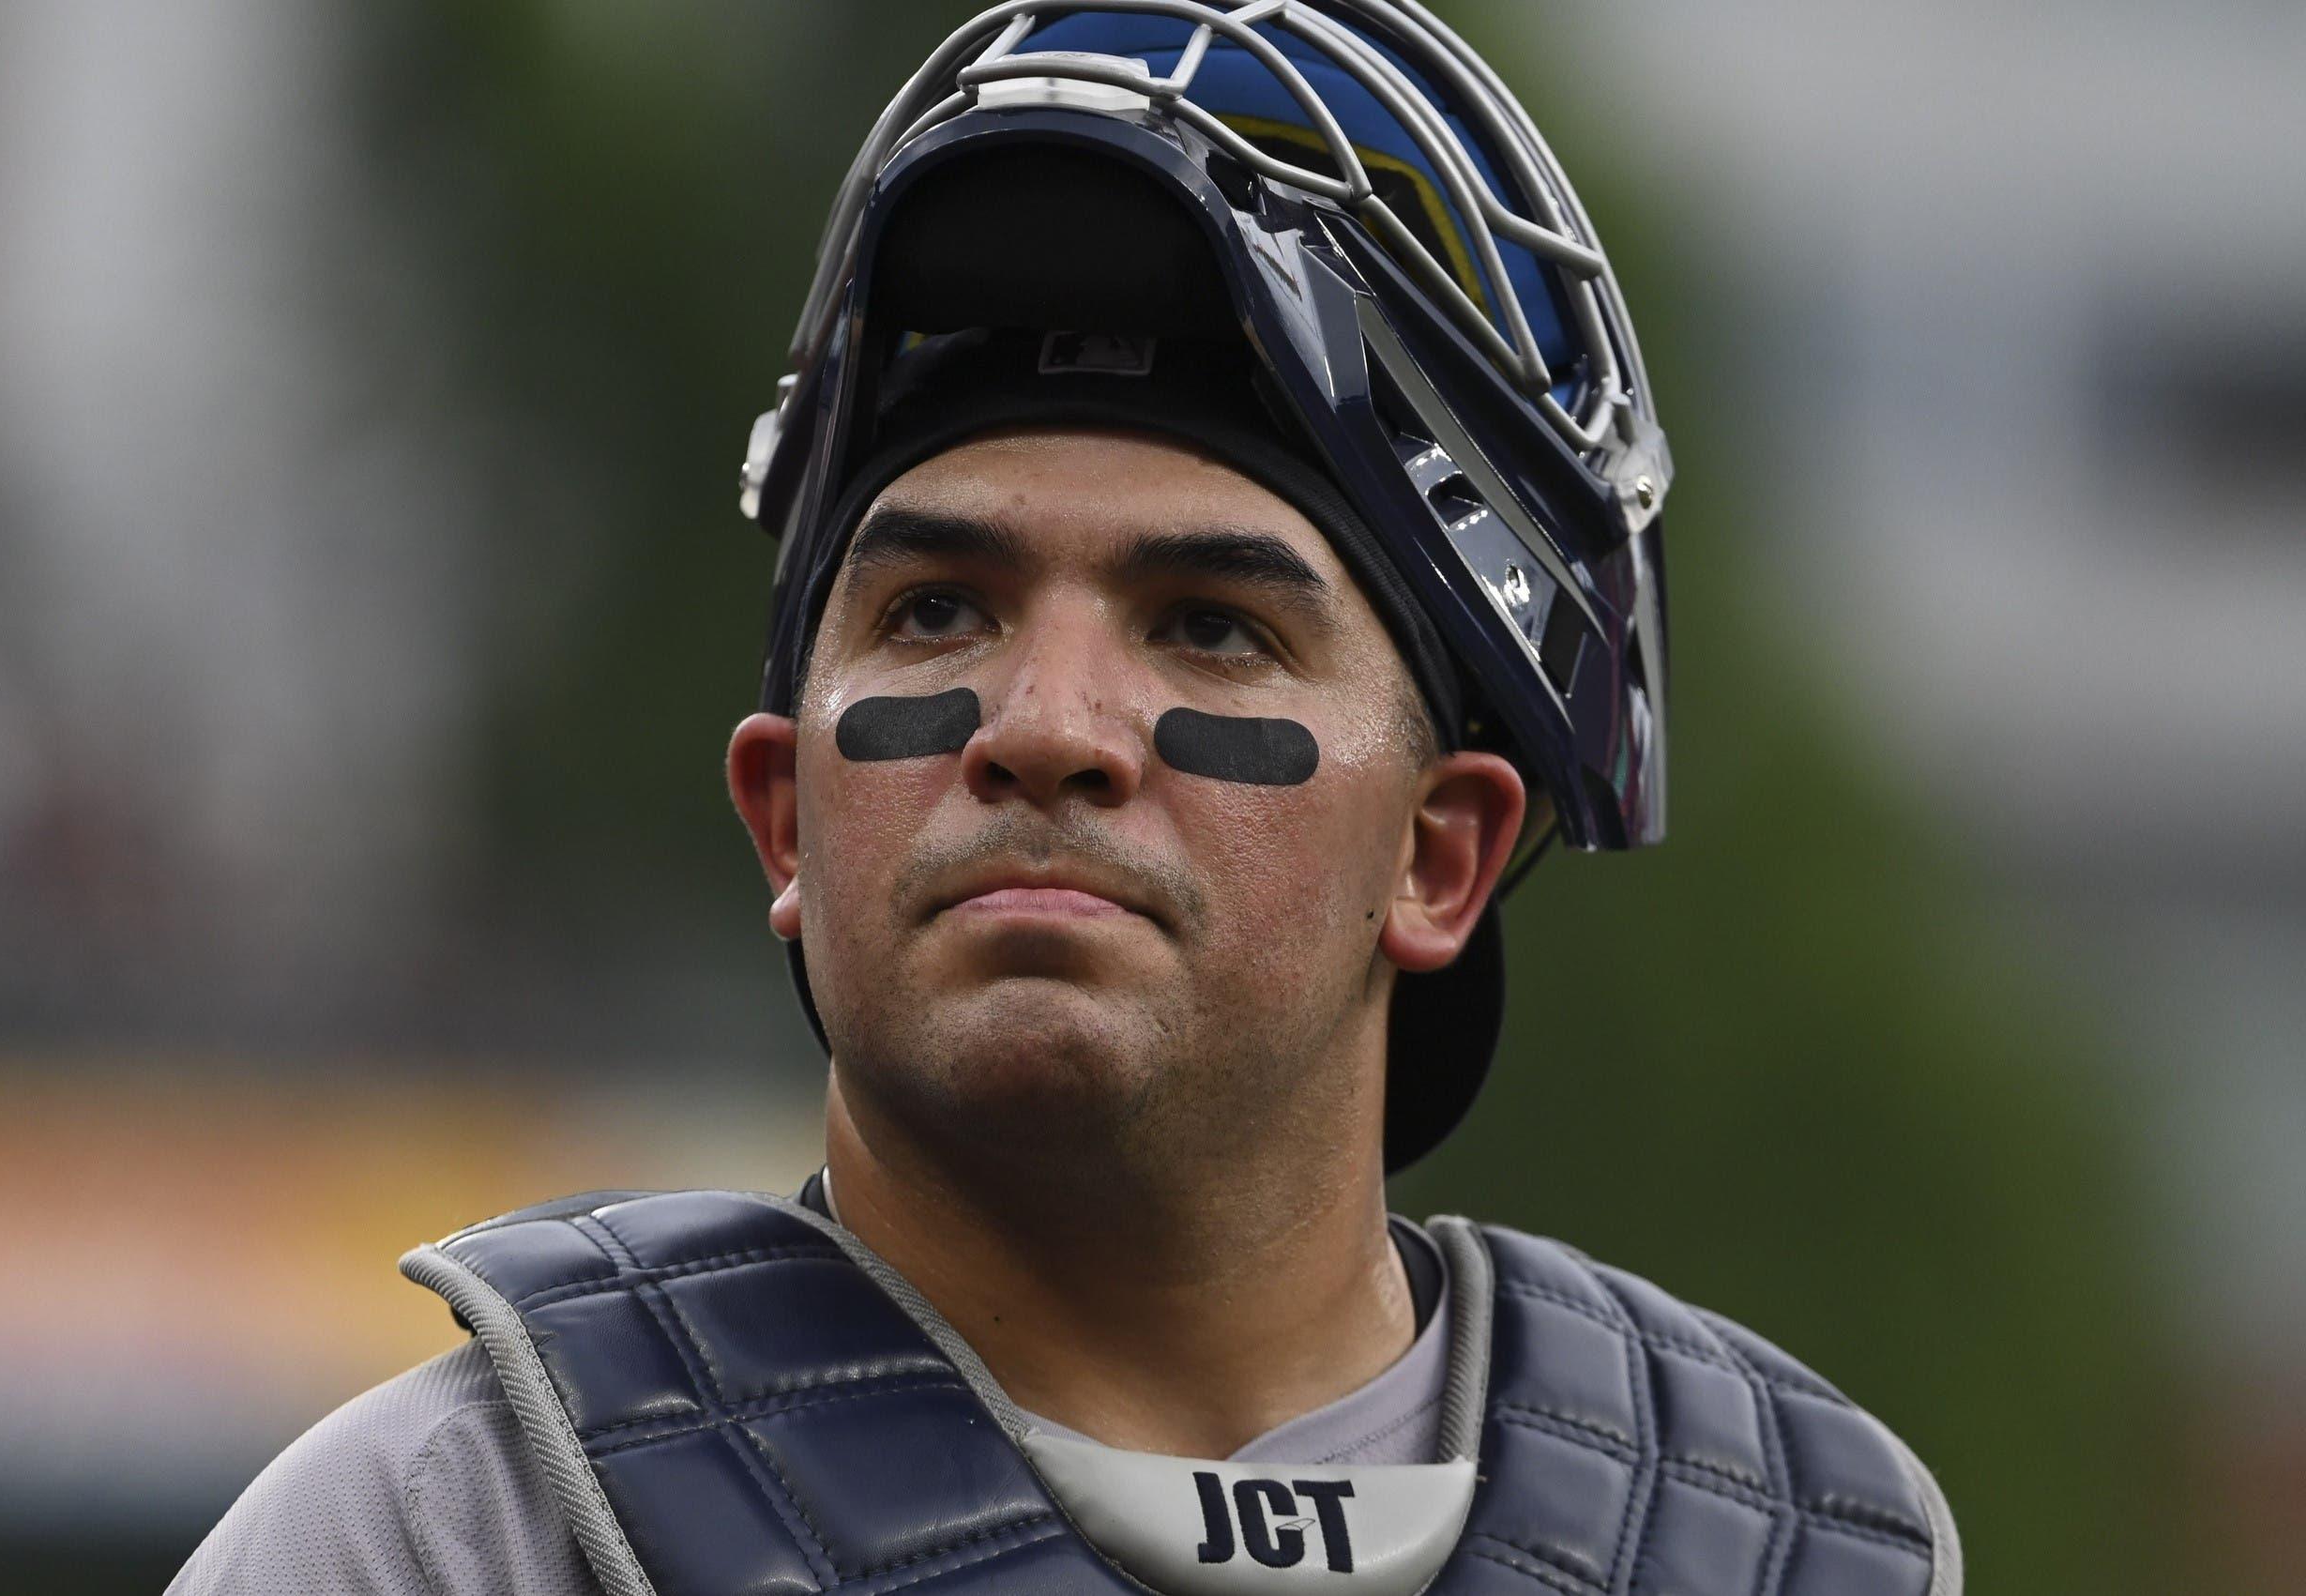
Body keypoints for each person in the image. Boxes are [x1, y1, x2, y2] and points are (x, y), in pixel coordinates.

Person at [173, 6, 1958, 1593]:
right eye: (938, 606)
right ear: (784, 818)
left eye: (1209, 627)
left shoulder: (1794, 1550)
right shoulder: (462, 1534)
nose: (1048, 724)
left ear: (1441, 855)